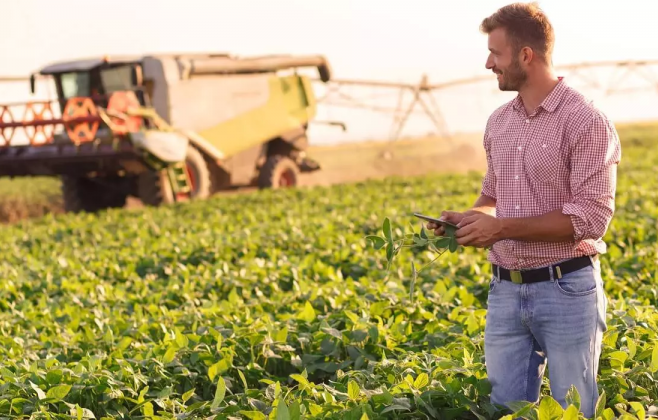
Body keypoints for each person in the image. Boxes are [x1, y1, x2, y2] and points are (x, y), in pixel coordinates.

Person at [427, 2, 621, 418]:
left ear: (525, 55)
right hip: (505, 292)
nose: (487, 63)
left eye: (495, 53)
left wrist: (501, 229)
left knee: (573, 410)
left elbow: (590, 218)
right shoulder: (499, 121)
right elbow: (491, 194)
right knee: (505, 410)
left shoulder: (586, 121)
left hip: (566, 289)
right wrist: (466, 220)